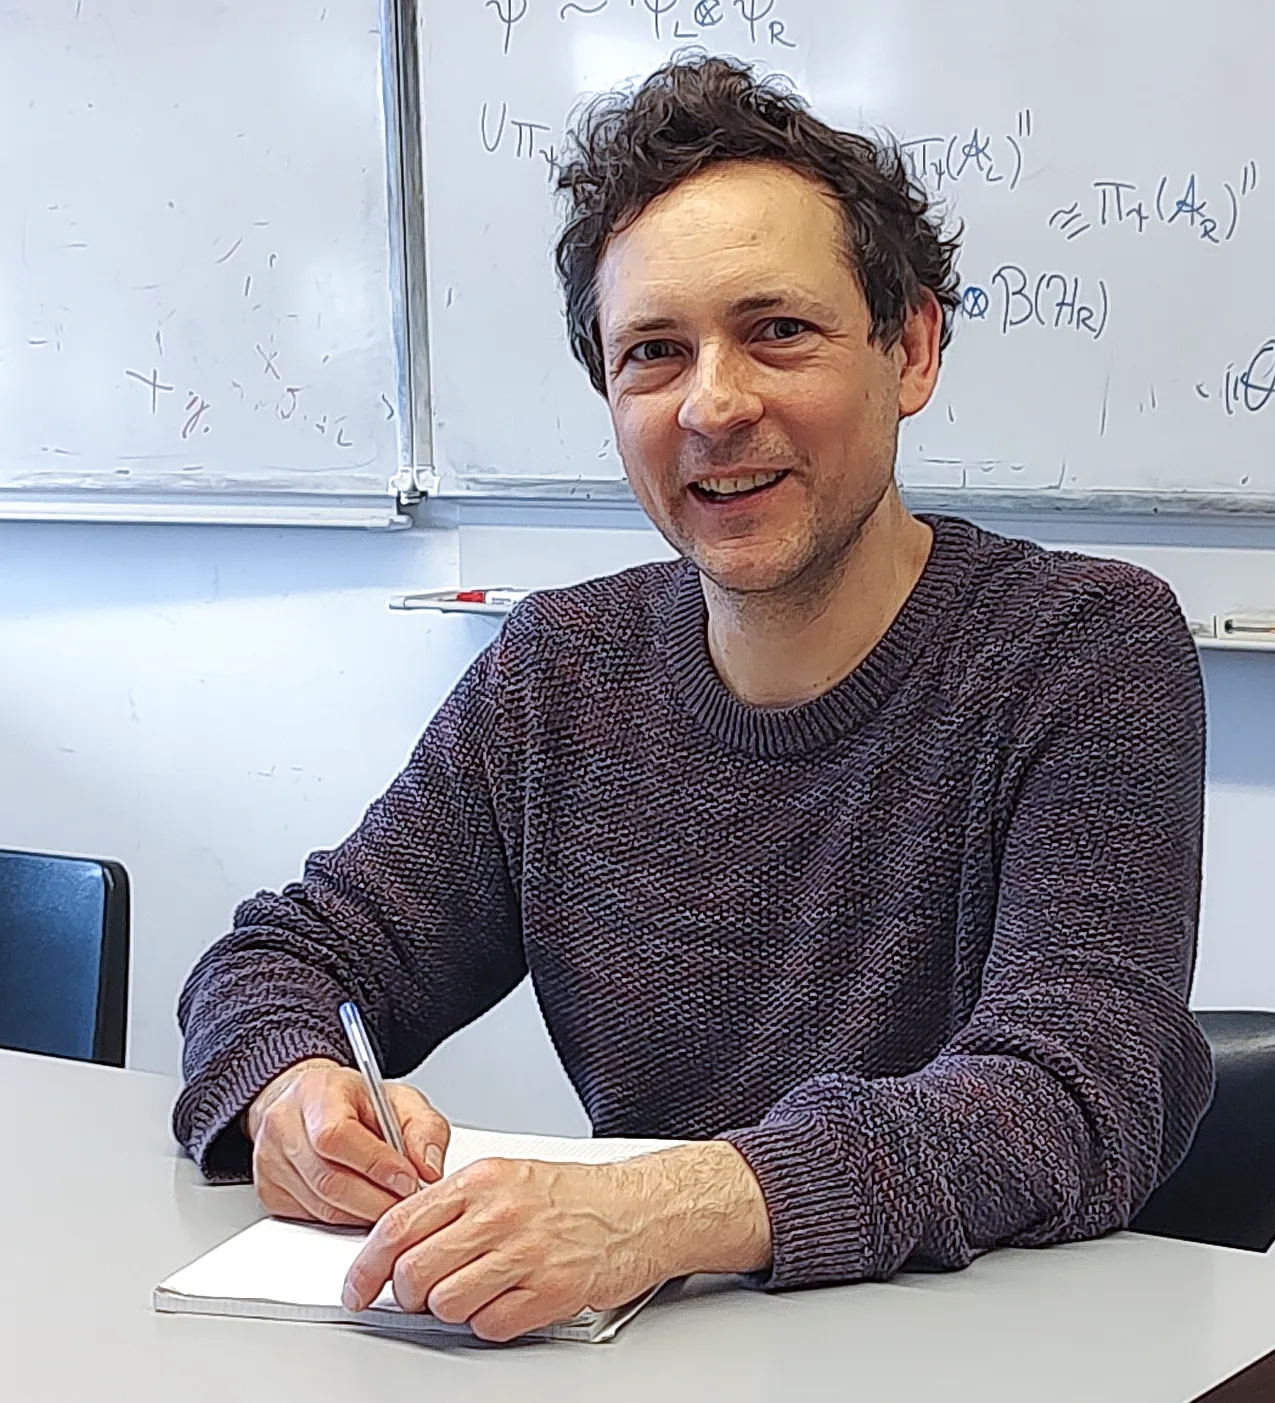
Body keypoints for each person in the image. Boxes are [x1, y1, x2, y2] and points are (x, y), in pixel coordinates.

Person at [174, 55, 1212, 1343]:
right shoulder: (564, 673)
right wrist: (292, 1088)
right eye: (654, 353)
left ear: (913, 348)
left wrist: (667, 1210)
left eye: (779, 330)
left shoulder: (1083, 648)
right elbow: (287, 958)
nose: (715, 406)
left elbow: (1066, 1096)